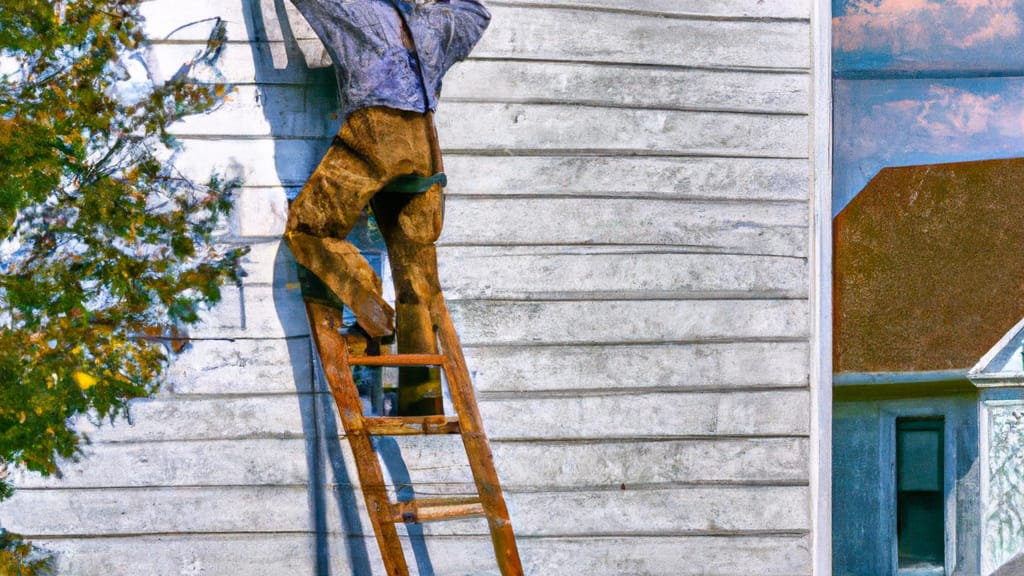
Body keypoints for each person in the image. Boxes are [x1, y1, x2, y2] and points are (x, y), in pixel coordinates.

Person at [286, 0, 490, 415]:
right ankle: (421, 402)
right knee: (417, 276)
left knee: (310, 230)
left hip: (376, 133)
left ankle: (373, 314)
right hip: (426, 148)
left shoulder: (357, 8)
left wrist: (362, 297)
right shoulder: (439, 22)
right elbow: (477, 12)